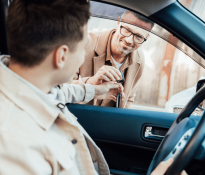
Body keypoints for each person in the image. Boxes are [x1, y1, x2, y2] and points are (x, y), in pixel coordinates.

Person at [0, 0, 187, 175]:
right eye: (82, 48)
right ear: (62, 56)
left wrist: (95, 88)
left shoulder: (34, 86)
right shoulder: (15, 143)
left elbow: (61, 91)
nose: (84, 55)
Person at [71, 10, 153, 108]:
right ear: (119, 22)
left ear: (147, 37)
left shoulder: (139, 59)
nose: (129, 40)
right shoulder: (83, 43)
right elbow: (60, 89)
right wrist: (92, 82)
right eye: (126, 29)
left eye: (139, 36)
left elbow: (129, 98)